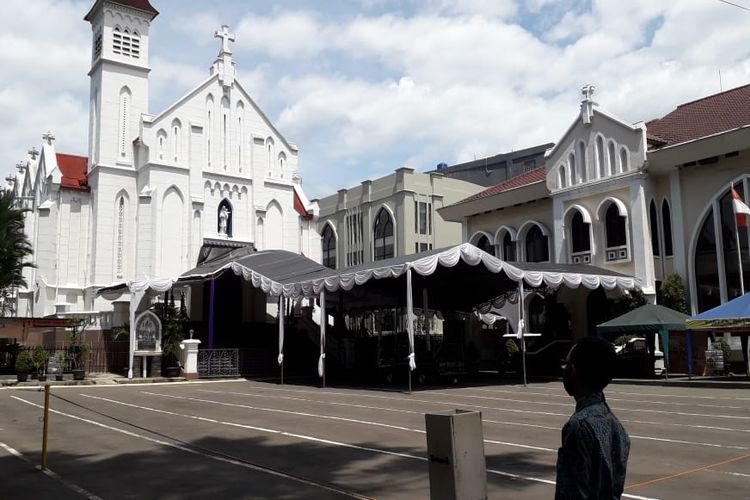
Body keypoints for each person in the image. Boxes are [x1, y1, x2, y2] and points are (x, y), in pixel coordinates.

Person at [555, 336, 630, 499]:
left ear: (574, 370)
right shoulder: (615, 425)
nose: (564, 369)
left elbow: (570, 492)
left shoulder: (579, 426)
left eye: (566, 364)